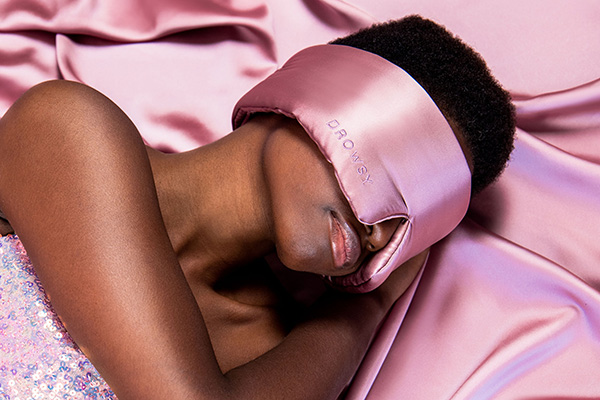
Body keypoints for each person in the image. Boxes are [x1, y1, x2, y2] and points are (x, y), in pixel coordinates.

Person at [0, 15, 514, 399]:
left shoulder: (262, 344)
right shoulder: (69, 130)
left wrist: (363, 307)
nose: (382, 233)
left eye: (413, 224)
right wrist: (364, 310)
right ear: (320, 96)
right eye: (402, 171)